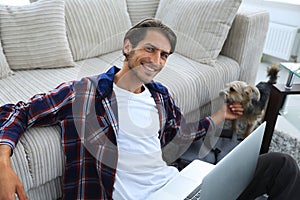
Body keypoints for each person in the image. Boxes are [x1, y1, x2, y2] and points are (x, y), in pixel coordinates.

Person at [0, 18, 299, 200]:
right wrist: (3, 164)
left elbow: (180, 134)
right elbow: (19, 110)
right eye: (150, 49)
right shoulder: (85, 91)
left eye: (164, 55)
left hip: (175, 187)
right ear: (128, 46)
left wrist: (220, 116)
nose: (157, 61)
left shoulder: (159, 96)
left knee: (282, 166)